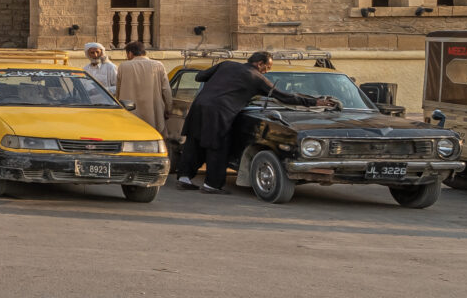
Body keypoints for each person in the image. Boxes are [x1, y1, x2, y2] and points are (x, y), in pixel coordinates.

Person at [175, 51, 335, 193]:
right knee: (217, 147)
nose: (268, 71)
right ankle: (212, 185)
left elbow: (199, 77)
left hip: (199, 105)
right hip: (220, 112)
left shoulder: (226, 64)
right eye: (268, 67)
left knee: (193, 143)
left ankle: (184, 179)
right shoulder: (257, 78)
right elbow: (284, 96)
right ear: (260, 64)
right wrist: (315, 102)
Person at [113, 41, 168, 137]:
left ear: (130, 53)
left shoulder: (123, 66)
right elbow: (166, 90)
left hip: (130, 114)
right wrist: (169, 108)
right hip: (154, 113)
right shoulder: (158, 65)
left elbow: (118, 90)